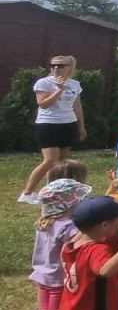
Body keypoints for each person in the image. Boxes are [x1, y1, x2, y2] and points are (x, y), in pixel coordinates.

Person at [30, 177, 89, 310]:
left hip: (42, 276)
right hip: (57, 278)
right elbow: (78, 245)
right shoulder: (67, 226)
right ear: (68, 204)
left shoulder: (44, 221)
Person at [19, 54, 85, 205]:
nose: (56, 68)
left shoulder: (74, 84)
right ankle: (27, 193)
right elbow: (43, 104)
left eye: (61, 65)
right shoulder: (44, 83)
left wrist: (81, 126)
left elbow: (77, 106)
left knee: (62, 162)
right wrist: (58, 90)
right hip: (48, 124)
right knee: (50, 160)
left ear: (69, 68)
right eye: (53, 65)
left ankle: (54, 192)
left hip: (68, 124)